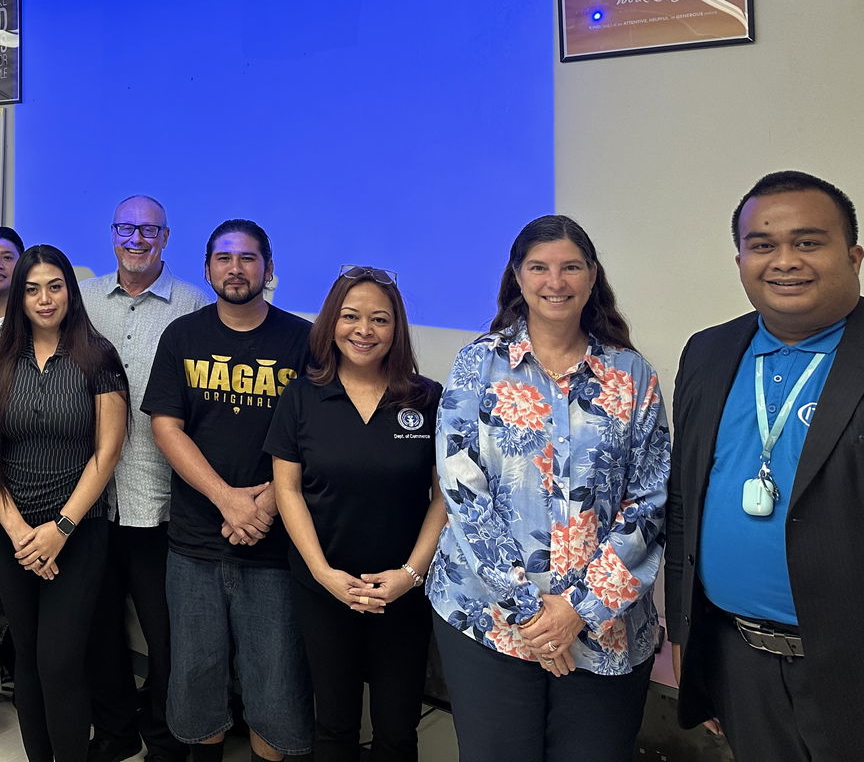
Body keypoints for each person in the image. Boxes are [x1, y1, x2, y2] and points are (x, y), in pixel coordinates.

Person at [429, 215, 668, 762]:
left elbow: (650, 501)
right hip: (489, 617)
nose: (554, 281)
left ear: (591, 277)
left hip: (602, 626)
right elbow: (463, 493)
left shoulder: (632, 375)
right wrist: (533, 616)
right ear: (517, 276)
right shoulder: (478, 364)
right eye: (538, 267)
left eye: (570, 267)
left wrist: (576, 612)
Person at [668, 170, 864, 760]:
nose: (785, 262)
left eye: (808, 242)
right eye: (762, 245)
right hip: (737, 658)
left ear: (853, 256)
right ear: (740, 262)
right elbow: (685, 501)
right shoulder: (709, 351)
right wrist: (687, 638)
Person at [143, 219, 315, 762]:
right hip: (195, 538)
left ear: (268, 267)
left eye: (246, 258)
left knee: (276, 676)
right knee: (195, 673)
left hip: (276, 543)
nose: (234, 269)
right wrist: (228, 498)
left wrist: (263, 504)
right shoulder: (183, 336)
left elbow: (317, 434)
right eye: (223, 258)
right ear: (206, 267)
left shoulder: (303, 340)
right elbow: (166, 428)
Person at [266, 266, 445, 762]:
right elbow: (287, 490)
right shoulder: (302, 396)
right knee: (334, 725)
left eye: (379, 319)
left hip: (403, 592)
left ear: (397, 328)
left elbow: (445, 497)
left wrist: (410, 574)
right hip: (324, 588)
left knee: (396, 728)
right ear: (331, 323)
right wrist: (324, 574)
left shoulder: (427, 399)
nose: (364, 330)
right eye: (350, 316)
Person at [0, 244, 129, 762]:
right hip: (10, 533)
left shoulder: (98, 355)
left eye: (54, 286)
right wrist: (18, 530)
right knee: (31, 660)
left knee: (61, 661)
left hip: (76, 532)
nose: (44, 298)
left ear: (70, 293)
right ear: (19, 295)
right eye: (32, 288)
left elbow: (108, 452)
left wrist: (59, 527)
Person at [80, 197, 209, 762]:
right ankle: (113, 730)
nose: (136, 238)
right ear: (112, 234)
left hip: (159, 501)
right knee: (97, 628)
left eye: (148, 230)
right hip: (87, 500)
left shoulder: (192, 305)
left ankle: (164, 735)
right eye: (126, 228)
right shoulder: (81, 301)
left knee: (167, 636)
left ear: (166, 237)